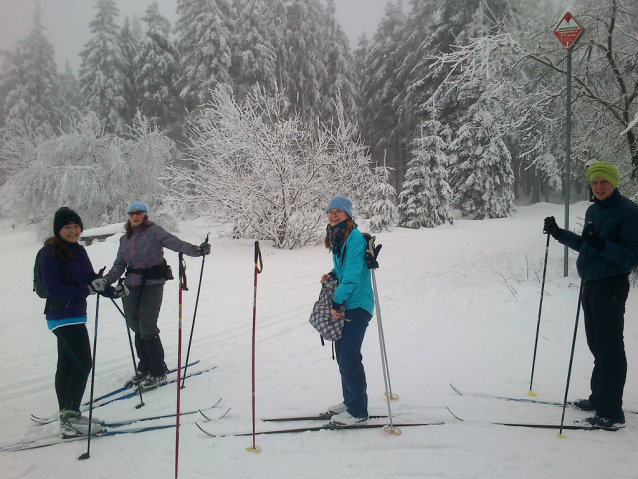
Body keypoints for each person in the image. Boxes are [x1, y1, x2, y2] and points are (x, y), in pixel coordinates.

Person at [543, 161, 638, 427]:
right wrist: (560, 234)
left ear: (613, 182)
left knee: (610, 349)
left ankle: (611, 412)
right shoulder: (594, 210)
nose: (598, 187)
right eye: (594, 183)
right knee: (597, 345)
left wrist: (601, 244)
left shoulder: (629, 212)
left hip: (611, 285)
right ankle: (599, 399)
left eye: (603, 182)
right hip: (592, 284)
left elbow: (630, 257)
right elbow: (588, 247)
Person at [91, 202, 211, 391]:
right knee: (135, 325)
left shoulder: (155, 232)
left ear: (145, 215)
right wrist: (106, 280)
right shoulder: (125, 239)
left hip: (152, 284)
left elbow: (176, 243)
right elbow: (119, 265)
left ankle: (158, 370)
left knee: (147, 326)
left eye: (138, 213)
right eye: (131, 214)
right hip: (131, 284)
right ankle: (144, 367)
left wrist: (197, 250)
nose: (135, 216)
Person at [40, 207, 125, 438]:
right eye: (68, 227)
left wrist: (111, 291)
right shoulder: (49, 253)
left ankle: (68, 415)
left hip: (75, 314)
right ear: (58, 230)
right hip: (61, 315)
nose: (73, 231)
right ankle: (70, 417)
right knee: (83, 363)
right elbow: (53, 288)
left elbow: (90, 277)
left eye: (77, 227)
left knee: (68, 365)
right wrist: (86, 290)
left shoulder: (77, 251)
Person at [320, 196, 375, 426]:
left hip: (357, 305)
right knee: (343, 357)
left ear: (348, 215)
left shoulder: (353, 239)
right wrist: (332, 274)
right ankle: (349, 400)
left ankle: (358, 410)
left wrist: (335, 302)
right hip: (346, 305)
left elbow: (352, 276)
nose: (333, 215)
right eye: (330, 211)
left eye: (338, 212)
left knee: (349, 358)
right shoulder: (338, 237)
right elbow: (342, 268)